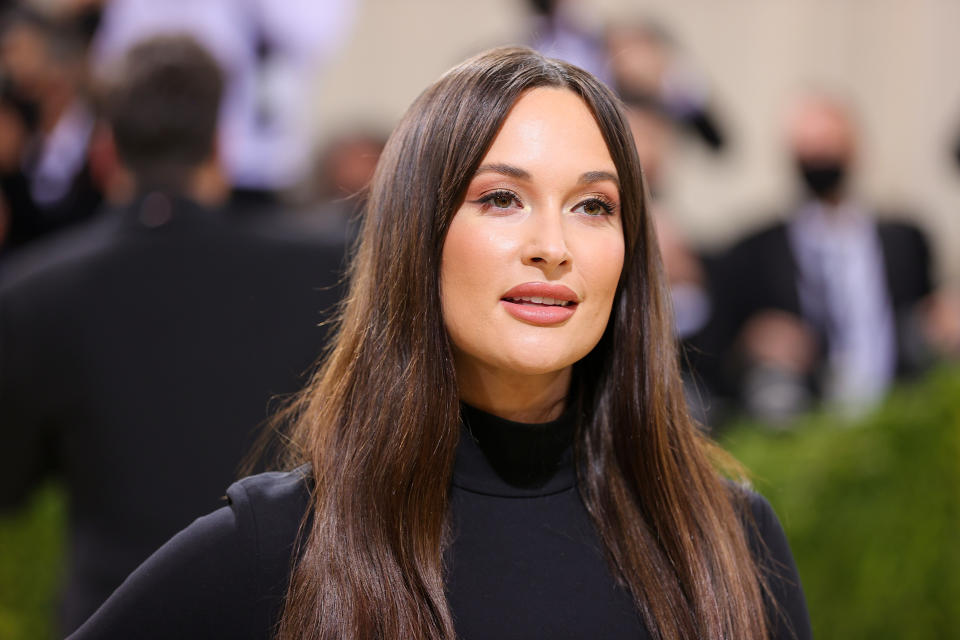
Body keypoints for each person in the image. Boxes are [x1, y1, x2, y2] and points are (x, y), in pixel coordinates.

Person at [70, 47, 810, 640]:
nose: (552, 246)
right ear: (417, 239)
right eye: (500, 198)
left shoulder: (729, 541)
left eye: (592, 205)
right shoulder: (284, 547)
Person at [0, 35, 345, 635]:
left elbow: (10, 481)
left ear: (105, 151)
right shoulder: (328, 272)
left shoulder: (34, 292)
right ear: (220, 146)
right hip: (285, 616)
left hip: (114, 616)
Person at [709, 93, 936, 420]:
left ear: (855, 147)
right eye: (808, 147)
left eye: (829, 143)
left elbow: (925, 316)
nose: (820, 156)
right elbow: (721, 344)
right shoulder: (754, 250)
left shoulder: (906, 240)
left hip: (897, 417)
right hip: (801, 423)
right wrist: (753, 342)